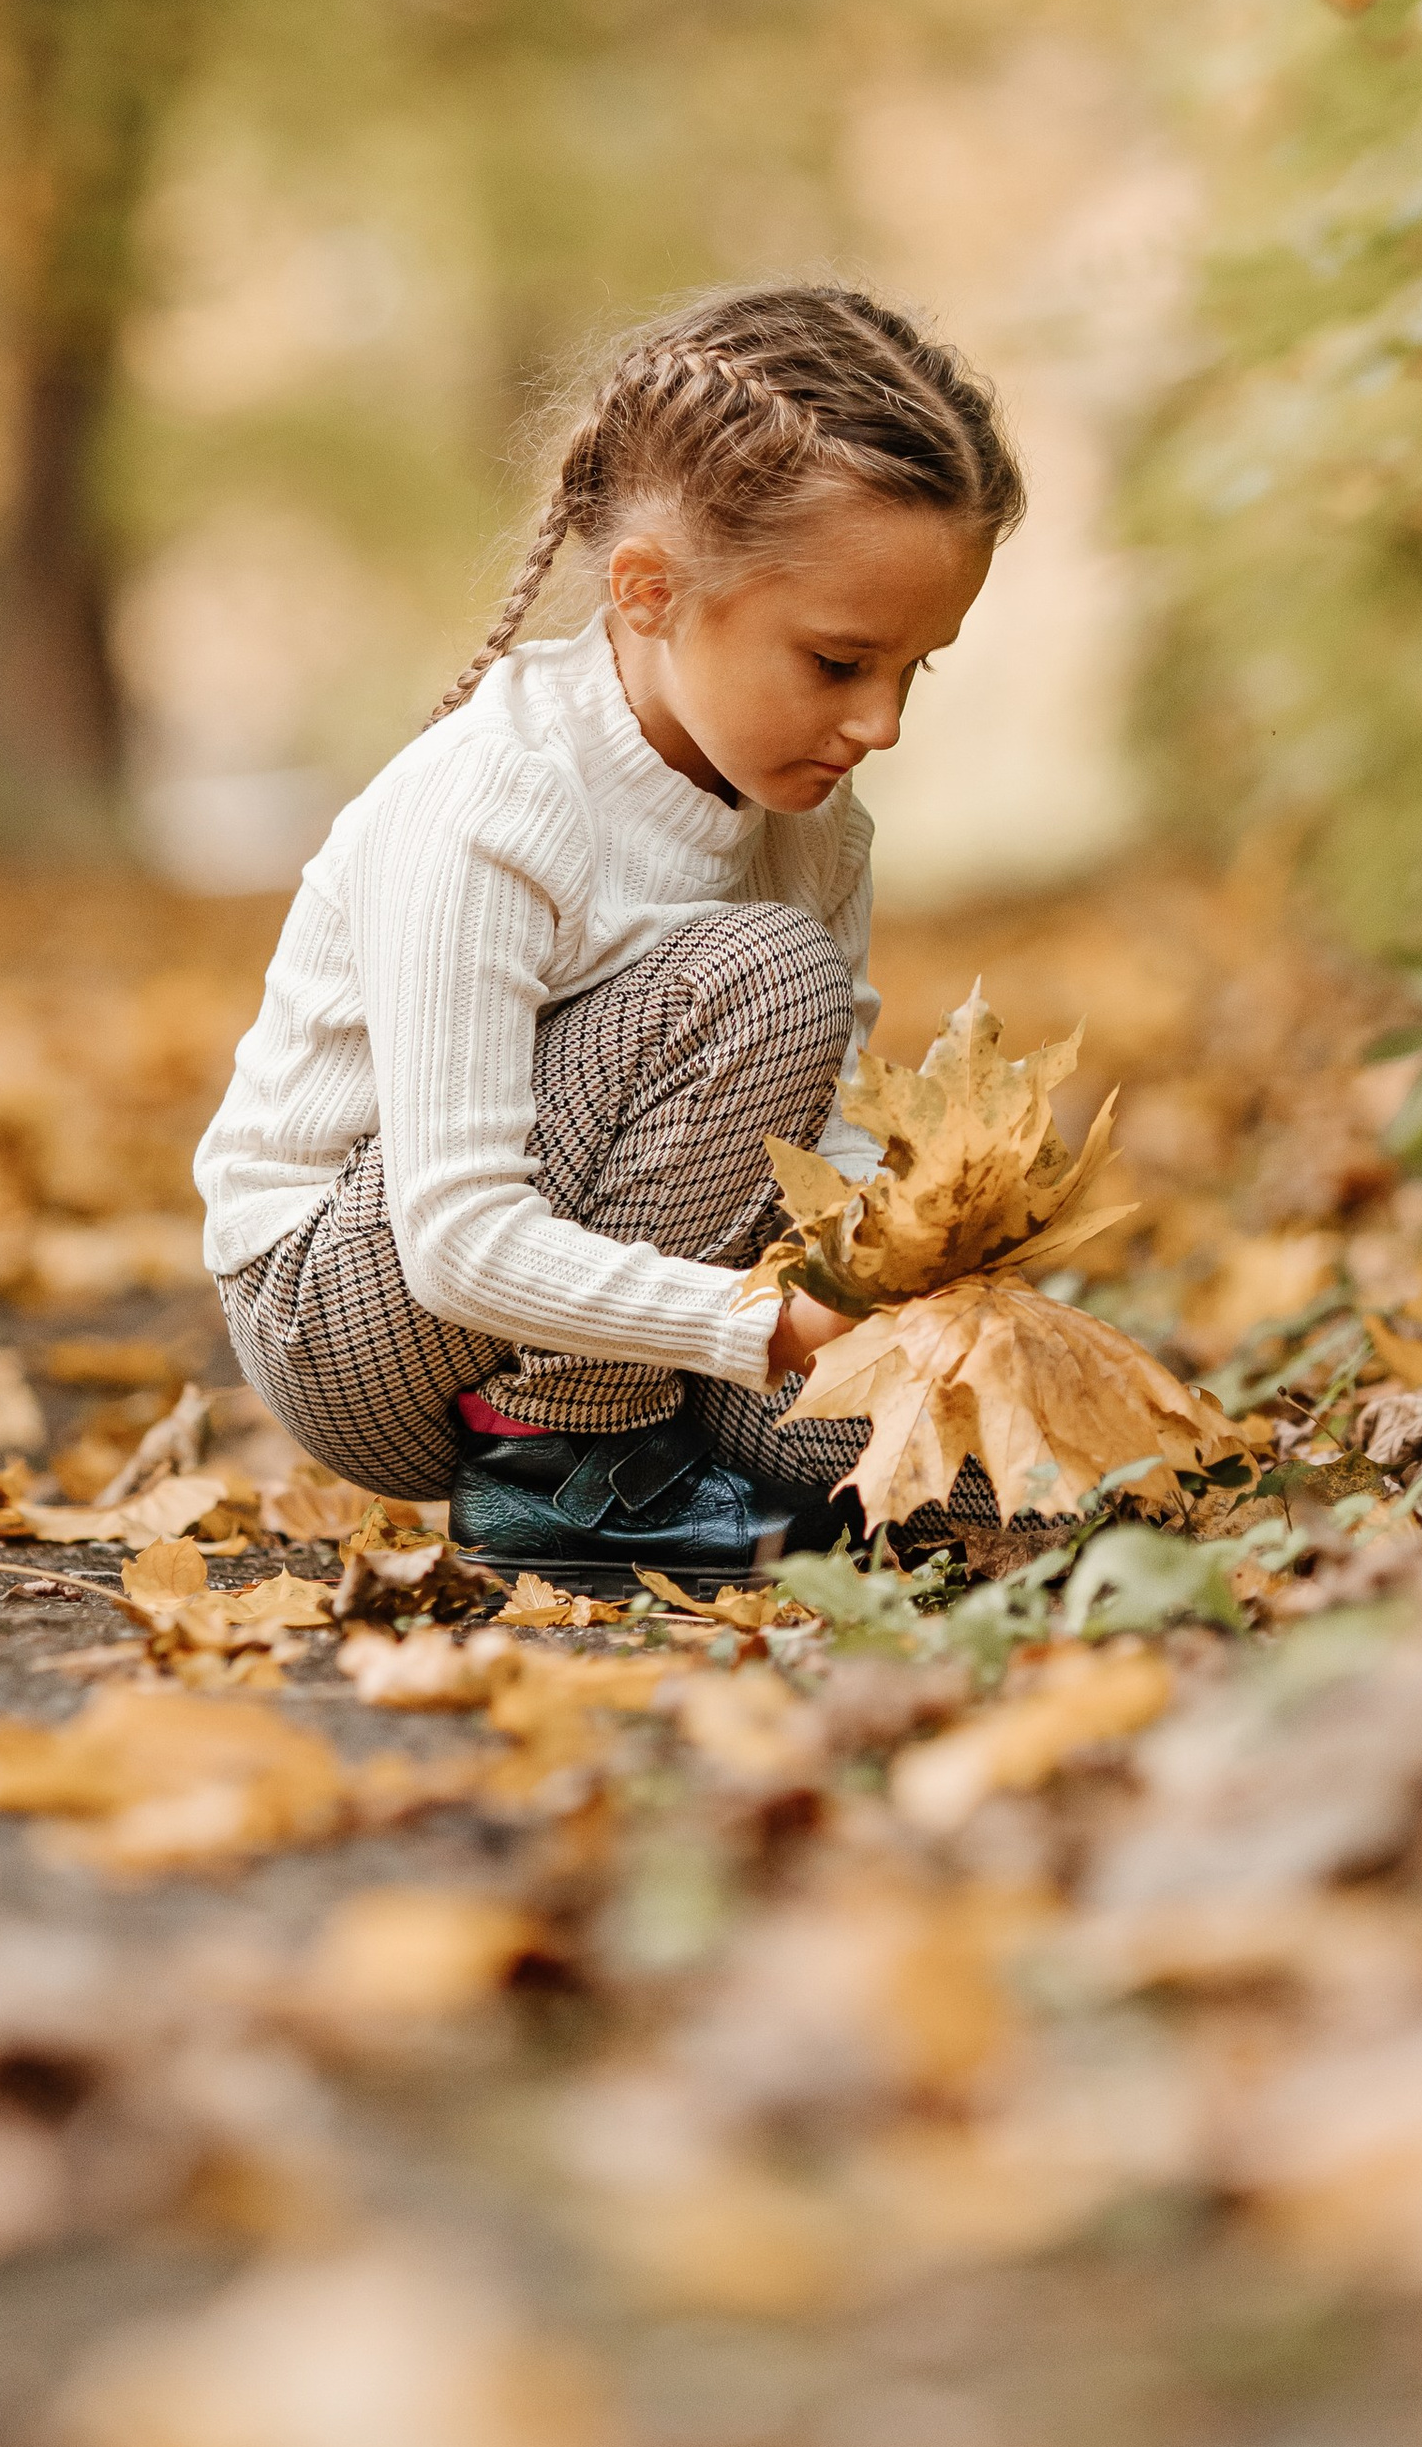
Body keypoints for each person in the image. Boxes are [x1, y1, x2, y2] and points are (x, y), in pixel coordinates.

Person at [197, 282, 1025, 1574]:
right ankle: (568, 1466)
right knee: (762, 974)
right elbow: (459, 1238)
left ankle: (702, 1469)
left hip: (649, 1279)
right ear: (647, 591)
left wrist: (899, 1293)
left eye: (915, 667)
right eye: (838, 661)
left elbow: (825, 1136)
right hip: (363, 1318)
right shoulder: (496, 800)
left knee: (1008, 1479)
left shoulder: (813, 813)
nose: (883, 723)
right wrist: (765, 1325)